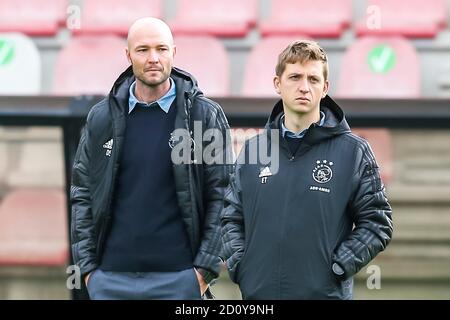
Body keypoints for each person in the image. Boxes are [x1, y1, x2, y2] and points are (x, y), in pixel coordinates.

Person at [70, 17, 232, 300]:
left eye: (161, 49)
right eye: (143, 50)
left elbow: (223, 195)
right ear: (128, 55)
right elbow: (82, 192)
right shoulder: (101, 118)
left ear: (173, 53)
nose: (153, 58)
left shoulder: (204, 117)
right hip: (110, 281)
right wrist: (89, 272)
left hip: (180, 281)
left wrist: (202, 273)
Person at [220, 40, 393, 299]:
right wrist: (243, 266)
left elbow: (378, 222)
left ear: (325, 88)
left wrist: (337, 266)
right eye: (295, 77)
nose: (304, 87)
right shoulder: (252, 150)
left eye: (313, 79)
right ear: (277, 83)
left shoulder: (354, 151)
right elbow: (230, 218)